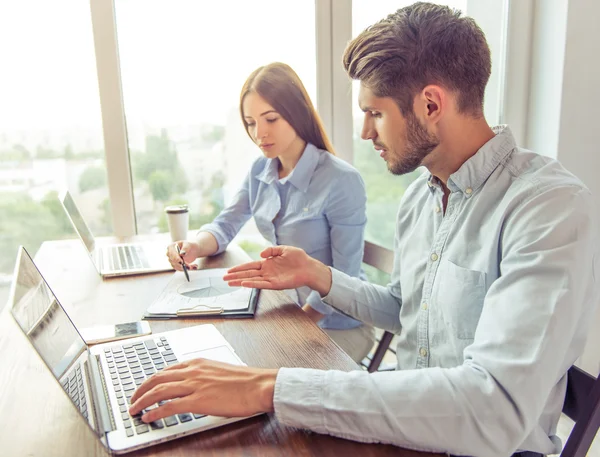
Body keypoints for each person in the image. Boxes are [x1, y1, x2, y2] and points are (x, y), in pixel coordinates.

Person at [131, 4, 599, 456]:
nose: (364, 133)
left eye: (374, 112)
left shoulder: (546, 206)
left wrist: (269, 387)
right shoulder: (421, 197)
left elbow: (492, 409)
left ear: (431, 103)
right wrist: (318, 274)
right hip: (408, 431)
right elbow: (405, 308)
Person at [165, 62, 375, 363]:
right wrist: (195, 246)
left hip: (339, 324)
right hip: (290, 312)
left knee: (260, 380)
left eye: (271, 119)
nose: (259, 133)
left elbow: (345, 276)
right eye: (251, 123)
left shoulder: (341, 180)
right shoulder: (260, 170)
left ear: (296, 112)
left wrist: (293, 326)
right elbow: (226, 224)